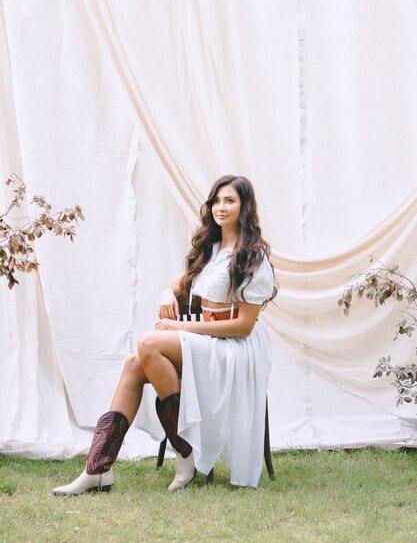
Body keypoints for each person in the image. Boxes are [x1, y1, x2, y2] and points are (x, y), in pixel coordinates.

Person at [52, 175, 277, 495]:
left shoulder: (252, 256)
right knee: (134, 363)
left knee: (148, 344)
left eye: (230, 201)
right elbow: (180, 284)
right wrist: (165, 293)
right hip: (208, 340)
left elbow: (243, 326)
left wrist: (183, 326)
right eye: (216, 200)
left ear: (244, 207)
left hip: (234, 348)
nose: (221, 207)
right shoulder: (212, 248)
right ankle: (98, 469)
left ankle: (184, 451)